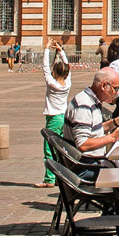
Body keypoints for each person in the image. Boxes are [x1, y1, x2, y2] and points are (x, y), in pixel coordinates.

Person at [65, 68, 119, 152]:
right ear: (104, 86)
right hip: (88, 162)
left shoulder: (92, 101)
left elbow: (94, 131)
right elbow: (82, 144)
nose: (117, 94)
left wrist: (115, 122)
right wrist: (113, 137)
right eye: (115, 89)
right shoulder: (84, 105)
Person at [37, 41, 71, 187]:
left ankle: (49, 179)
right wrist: (61, 51)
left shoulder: (52, 84)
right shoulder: (67, 83)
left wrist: (46, 49)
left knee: (49, 149)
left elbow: (45, 68)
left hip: (53, 119)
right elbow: (68, 68)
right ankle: (60, 177)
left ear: (55, 72)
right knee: (60, 149)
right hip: (63, 117)